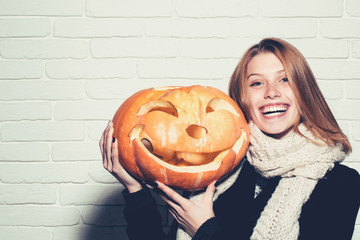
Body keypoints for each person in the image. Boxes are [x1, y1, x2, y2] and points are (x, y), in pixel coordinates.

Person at [100, 38, 360, 240]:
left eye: (285, 79)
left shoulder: (341, 184)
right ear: (241, 98)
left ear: (305, 91)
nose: (272, 92)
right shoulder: (216, 173)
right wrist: (135, 190)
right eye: (257, 83)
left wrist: (205, 229)